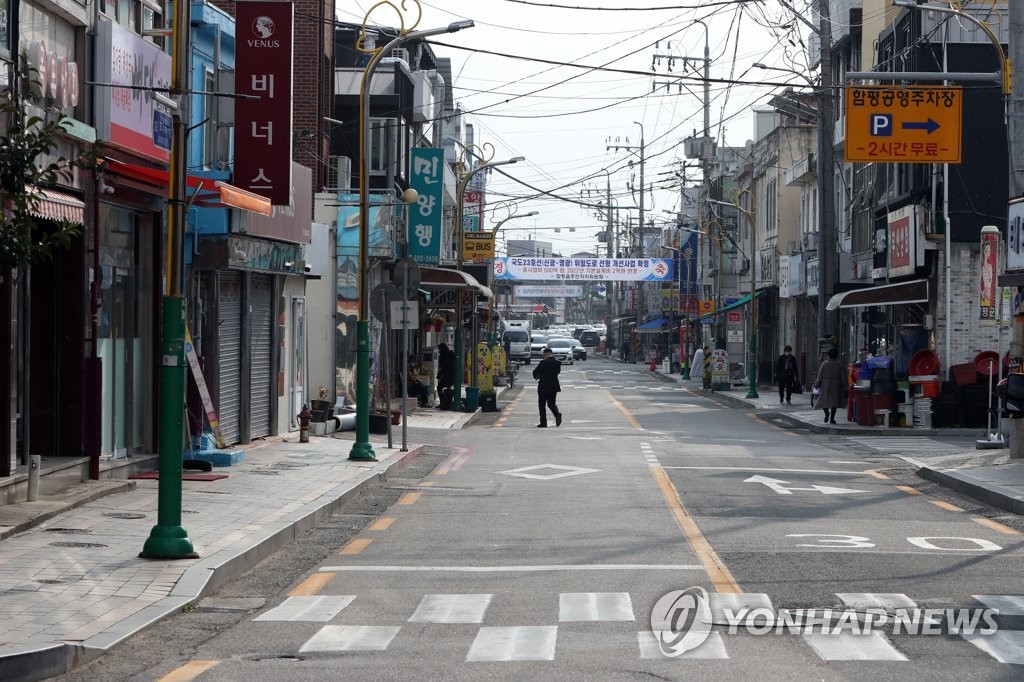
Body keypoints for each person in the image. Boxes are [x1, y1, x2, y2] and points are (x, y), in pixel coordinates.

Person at [532, 347, 562, 428]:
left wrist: (538, 375)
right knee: (551, 403)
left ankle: (543, 423)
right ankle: (557, 414)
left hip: (543, 386)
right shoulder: (558, 363)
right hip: (554, 386)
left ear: (545, 354)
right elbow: (557, 372)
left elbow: (535, 372)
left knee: (542, 405)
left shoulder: (543, 362)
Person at [813, 347, 843, 424]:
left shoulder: (824, 364)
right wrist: (843, 385)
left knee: (824, 400)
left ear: (828, 355)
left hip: (826, 383)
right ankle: (832, 419)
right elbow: (842, 376)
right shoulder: (838, 365)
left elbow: (820, 376)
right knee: (834, 402)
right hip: (836, 384)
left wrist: (817, 384)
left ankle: (826, 412)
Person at [436, 343, 455, 410]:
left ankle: (443, 403)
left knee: (439, 388)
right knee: (447, 389)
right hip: (451, 375)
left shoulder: (445, 356)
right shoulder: (450, 354)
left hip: (448, 376)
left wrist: (439, 374)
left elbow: (445, 368)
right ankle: (445, 403)